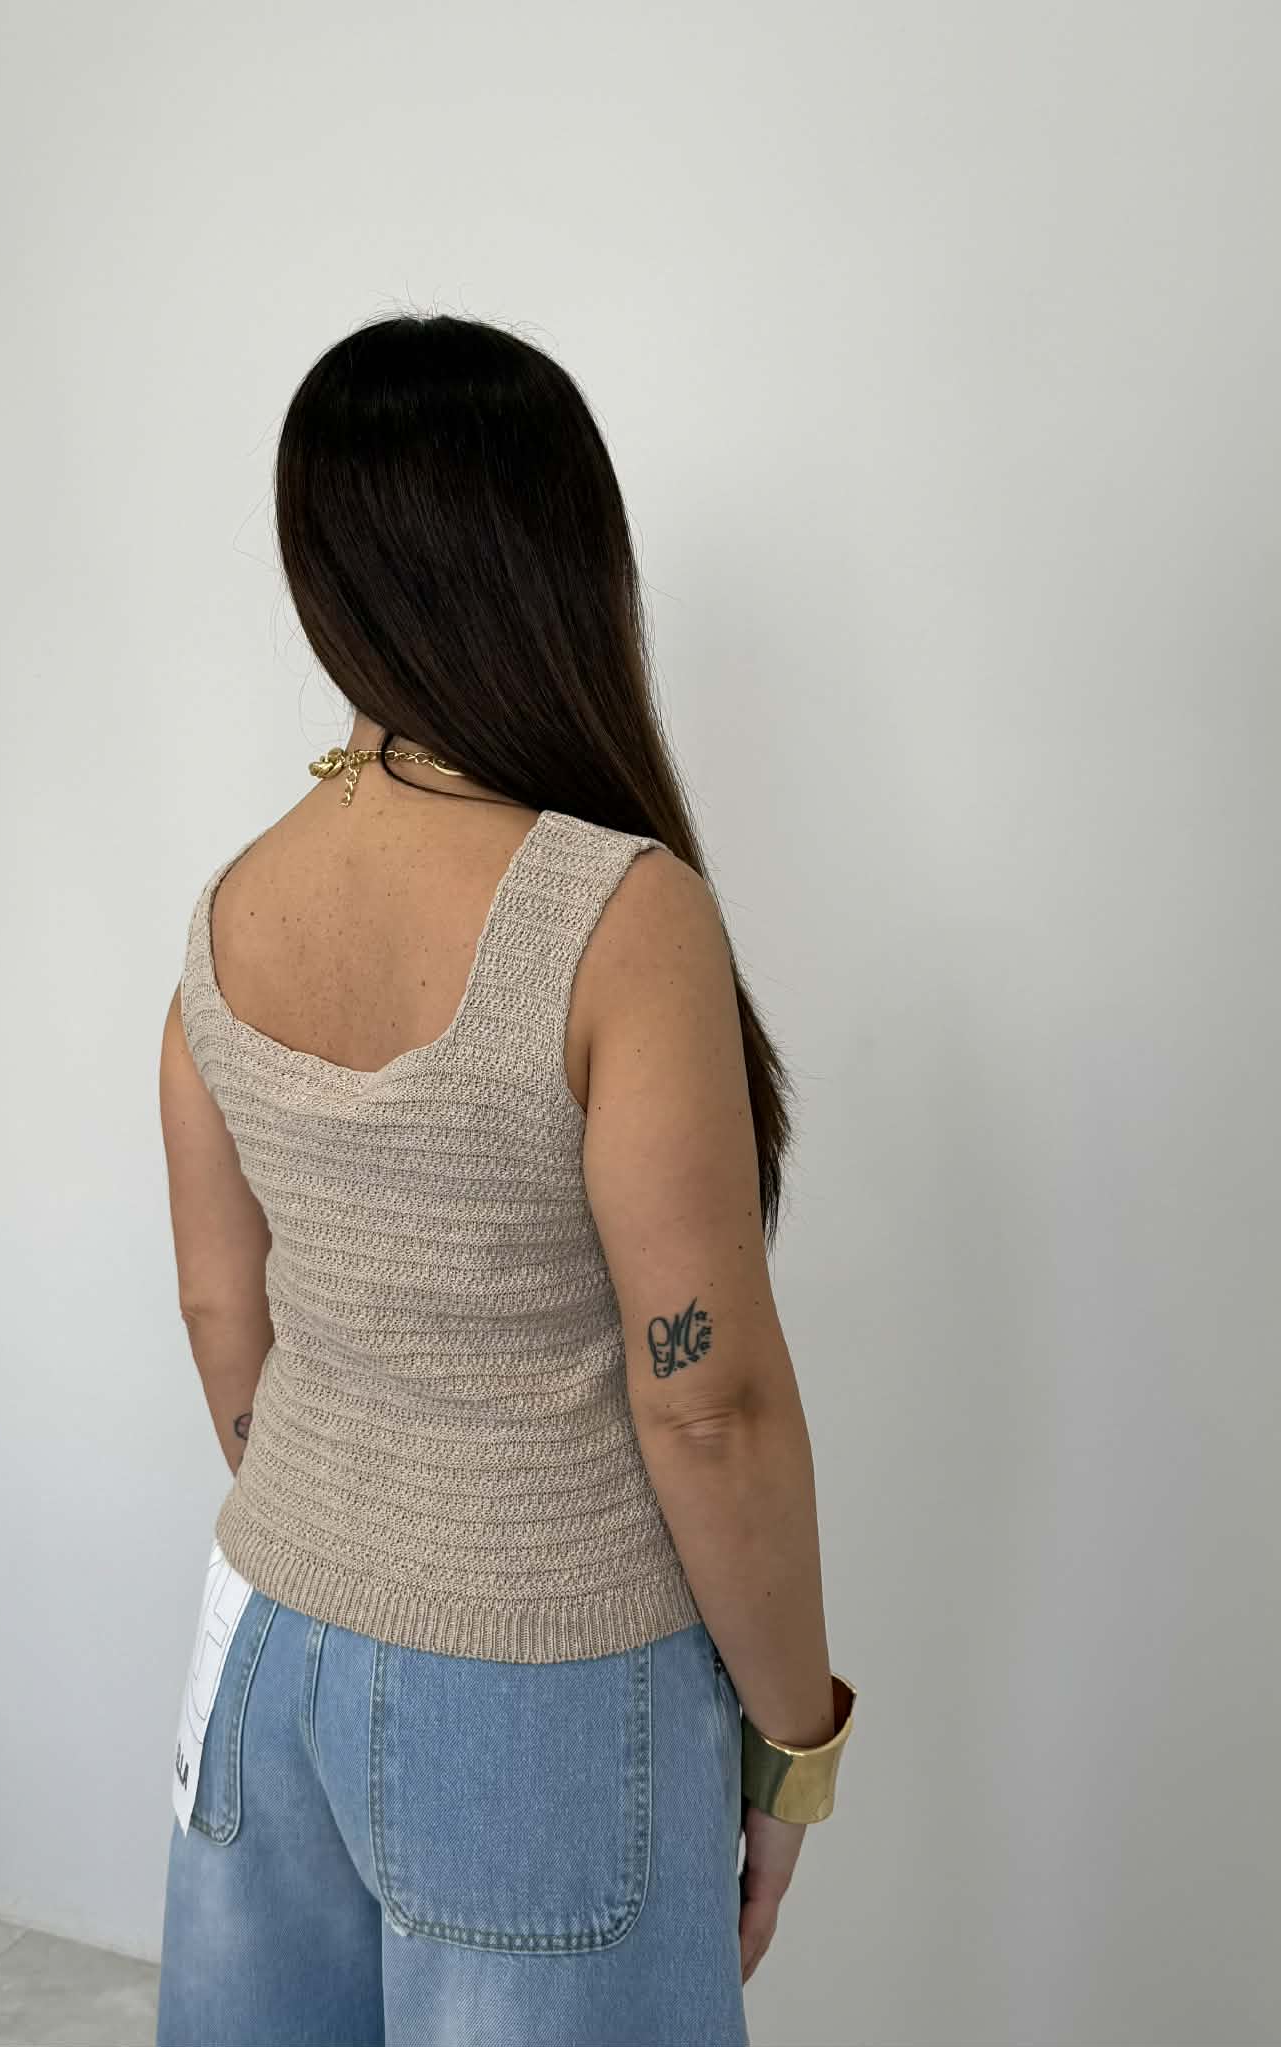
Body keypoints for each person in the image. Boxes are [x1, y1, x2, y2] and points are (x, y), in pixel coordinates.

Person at [154, 311, 856, 2047]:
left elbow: (222, 1308)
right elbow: (709, 1407)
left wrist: (349, 1531)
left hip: (263, 1652)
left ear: (324, 577)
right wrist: (796, 1746)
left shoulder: (228, 912)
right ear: (565, 561)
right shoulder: (616, 916)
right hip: (541, 1694)